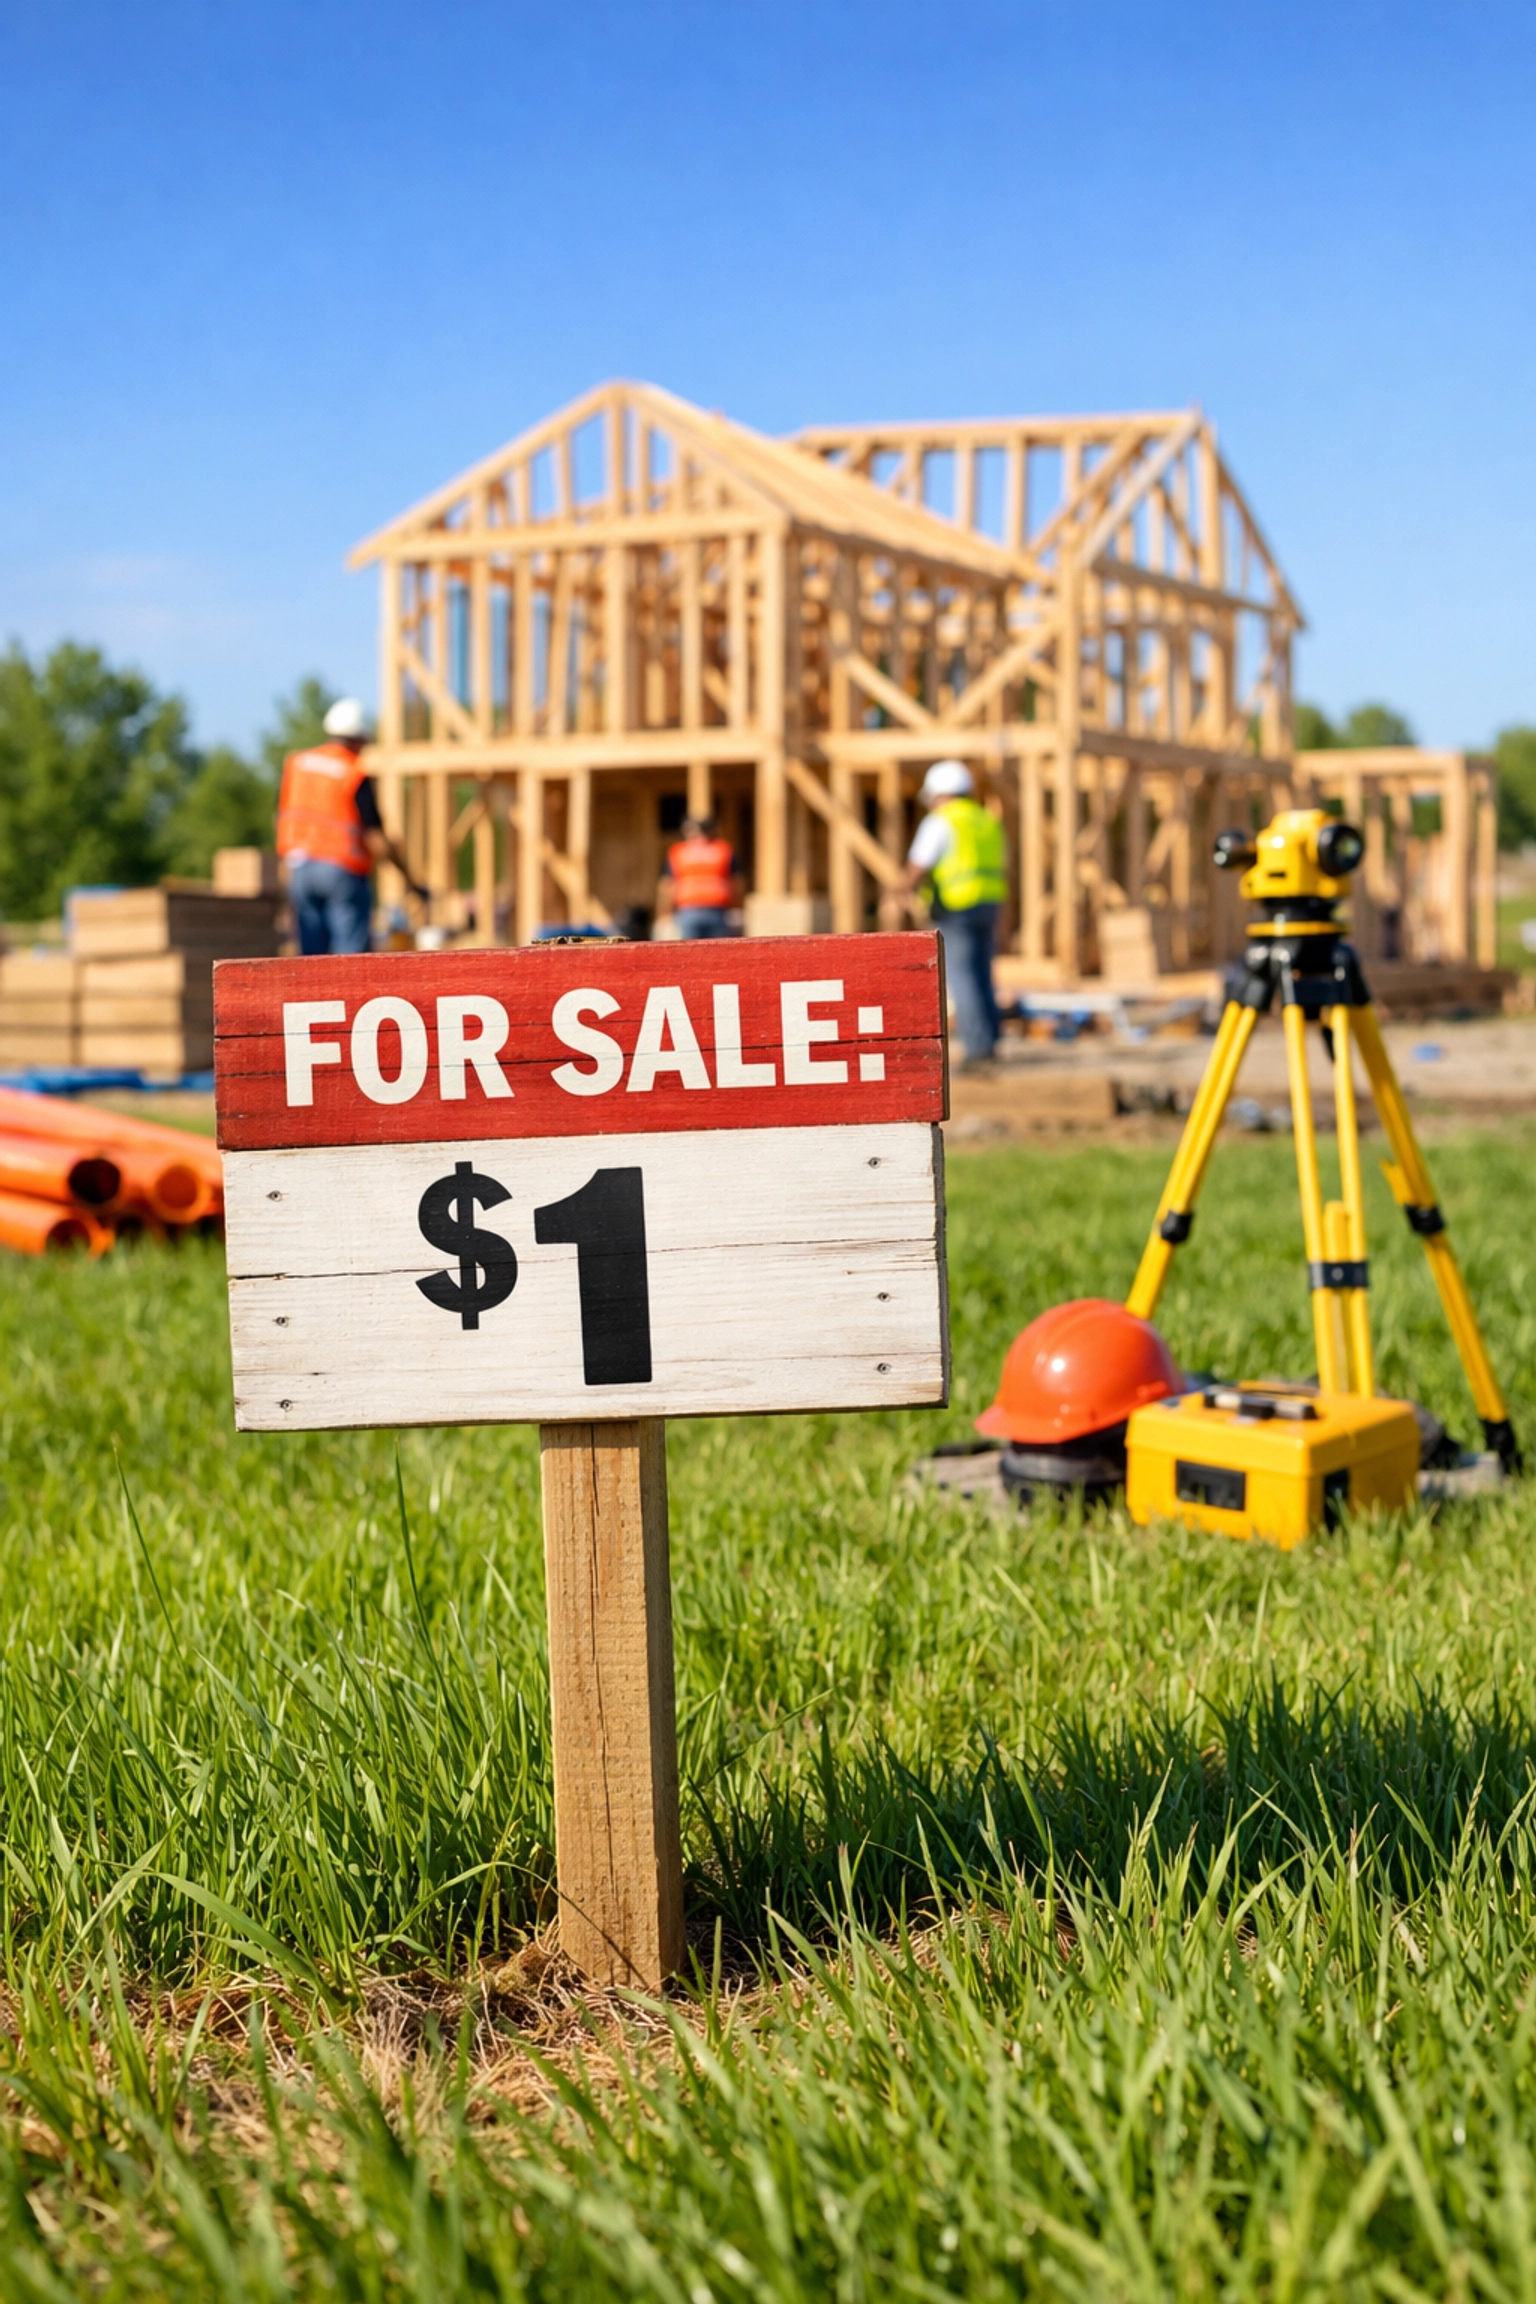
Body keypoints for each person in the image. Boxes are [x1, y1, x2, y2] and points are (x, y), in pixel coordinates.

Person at [276, 699, 423, 956]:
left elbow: (282, 817)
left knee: (311, 960)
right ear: (357, 739)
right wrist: (410, 880)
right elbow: (374, 836)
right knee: (350, 961)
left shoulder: (298, 764)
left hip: (299, 870)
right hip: (340, 871)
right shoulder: (352, 771)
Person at [903, 759, 1008, 1067]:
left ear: (940, 793)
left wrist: (901, 890)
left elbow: (919, 864)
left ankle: (978, 1050)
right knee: (983, 973)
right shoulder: (986, 820)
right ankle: (991, 1041)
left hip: (955, 906)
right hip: (988, 904)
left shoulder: (941, 820)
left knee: (962, 977)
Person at [657, 813, 744, 939]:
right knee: (718, 952)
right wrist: (737, 906)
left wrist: (664, 913)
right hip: (717, 909)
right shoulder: (723, 849)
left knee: (690, 953)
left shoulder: (678, 851)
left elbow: (668, 885)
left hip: (688, 909)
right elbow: (737, 883)